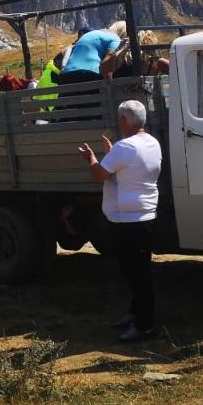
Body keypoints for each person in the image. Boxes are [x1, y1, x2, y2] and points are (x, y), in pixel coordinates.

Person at [77, 100, 163, 343]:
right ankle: (136, 314)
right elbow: (126, 168)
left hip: (129, 220)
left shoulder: (125, 148)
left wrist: (92, 159)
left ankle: (145, 326)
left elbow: (99, 175)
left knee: (137, 274)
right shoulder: (151, 142)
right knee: (136, 270)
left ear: (124, 121)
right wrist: (112, 153)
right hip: (143, 216)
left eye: (119, 119)